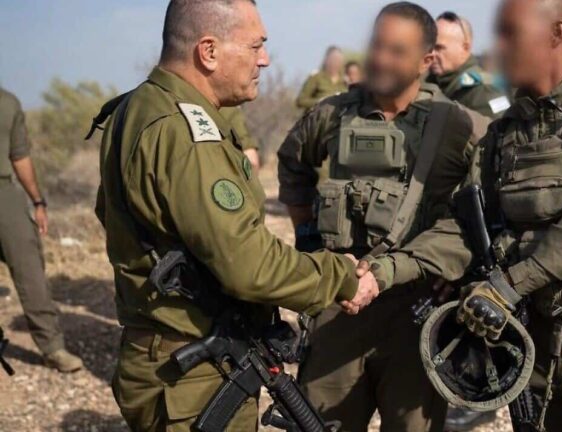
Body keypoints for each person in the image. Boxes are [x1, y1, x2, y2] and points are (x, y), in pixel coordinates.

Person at [361, 0, 562, 430]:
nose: (500, 48)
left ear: (556, 33)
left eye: (512, 34)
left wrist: (507, 286)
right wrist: (385, 270)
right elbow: (464, 224)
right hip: (529, 341)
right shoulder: (504, 133)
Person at [93, 1, 379, 430]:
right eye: (255, 45)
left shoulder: (140, 106)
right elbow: (248, 264)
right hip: (191, 373)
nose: (264, 59)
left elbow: (113, 214)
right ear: (208, 51)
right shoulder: (185, 132)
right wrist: (340, 277)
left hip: (167, 355)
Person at [278, 3, 481, 431]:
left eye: (397, 51)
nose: (381, 59)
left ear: (426, 60)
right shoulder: (332, 113)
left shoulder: (457, 125)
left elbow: (489, 201)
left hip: (417, 314)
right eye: (376, 46)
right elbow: (292, 163)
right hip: (339, 306)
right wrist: (308, 237)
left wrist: (461, 270)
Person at [0, 88, 83, 373]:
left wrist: (37, 201)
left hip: (5, 194)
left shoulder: (8, 102)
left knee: (30, 270)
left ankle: (52, 347)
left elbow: (19, 156)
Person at [427, 11, 510, 119]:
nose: (432, 54)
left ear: (465, 48)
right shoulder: (431, 82)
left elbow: (500, 126)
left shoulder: (483, 91)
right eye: (430, 48)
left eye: (439, 48)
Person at [296, 45, 348, 111]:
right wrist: (320, 101)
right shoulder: (316, 77)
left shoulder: (346, 80)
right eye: (333, 59)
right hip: (317, 114)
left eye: (338, 60)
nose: (335, 62)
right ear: (326, 60)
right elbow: (301, 101)